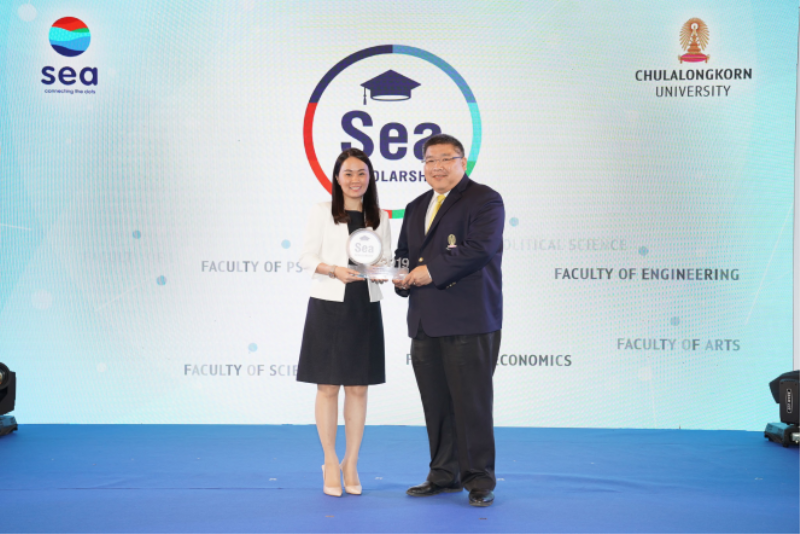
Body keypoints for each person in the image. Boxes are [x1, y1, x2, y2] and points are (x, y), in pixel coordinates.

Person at [393, 133, 504, 507]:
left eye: (445, 159)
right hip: (425, 320)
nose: (437, 167)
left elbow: (480, 249)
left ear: (462, 161)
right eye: (430, 160)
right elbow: (404, 254)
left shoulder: (484, 199)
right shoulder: (416, 205)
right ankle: (443, 474)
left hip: (468, 319)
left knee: (471, 403)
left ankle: (479, 480)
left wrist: (430, 271)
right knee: (436, 403)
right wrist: (399, 276)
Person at [297, 148, 391, 497]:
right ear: (337, 178)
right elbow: (306, 257)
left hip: (363, 305)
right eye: (348, 173)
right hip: (328, 304)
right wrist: (334, 270)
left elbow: (386, 259)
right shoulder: (322, 211)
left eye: (361, 173)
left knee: (358, 388)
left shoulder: (380, 216)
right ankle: (329, 460)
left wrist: (381, 272)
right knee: (327, 387)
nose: (355, 180)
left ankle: (351, 462)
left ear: (370, 177)